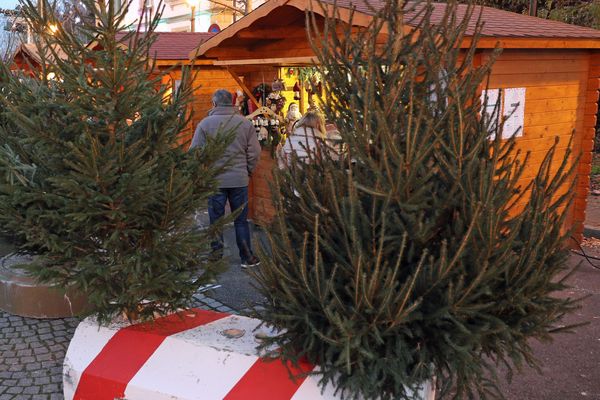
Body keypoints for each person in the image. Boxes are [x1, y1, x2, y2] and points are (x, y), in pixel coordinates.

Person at [190, 89, 261, 269]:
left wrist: (202, 173)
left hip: (215, 180)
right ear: (231, 103)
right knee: (241, 220)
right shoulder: (245, 124)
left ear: (214, 104)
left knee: (216, 220)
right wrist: (248, 171)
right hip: (239, 179)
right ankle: (247, 256)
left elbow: (194, 153)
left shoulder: (205, 124)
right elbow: (255, 152)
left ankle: (216, 256)